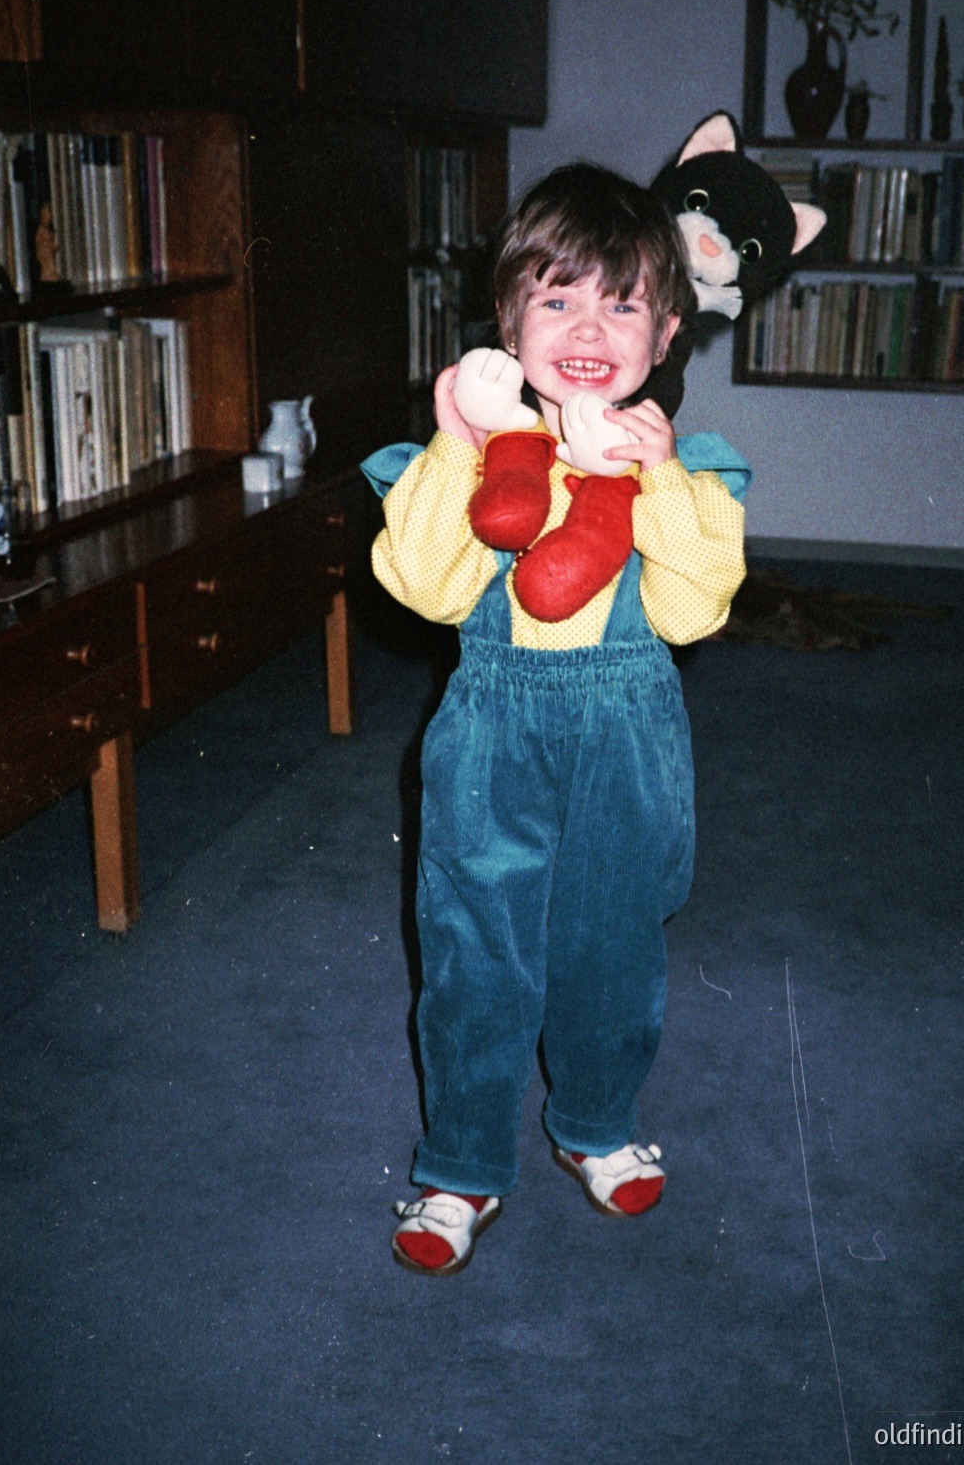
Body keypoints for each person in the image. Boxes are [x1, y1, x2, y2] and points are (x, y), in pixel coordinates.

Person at [361, 163, 750, 1275]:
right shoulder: (474, 462)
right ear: (506, 322)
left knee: (612, 941)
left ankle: (592, 1121)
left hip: (627, 740)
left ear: (666, 334)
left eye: (622, 302)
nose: (589, 326)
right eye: (558, 296)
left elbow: (688, 609)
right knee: (474, 950)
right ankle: (461, 1163)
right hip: (491, 738)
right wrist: (453, 441)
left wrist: (662, 481)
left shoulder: (695, 473)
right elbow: (427, 588)